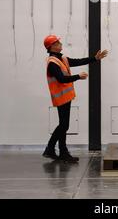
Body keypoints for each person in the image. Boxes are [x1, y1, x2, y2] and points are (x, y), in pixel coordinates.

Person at [42, 34, 108, 163]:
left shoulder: (62, 59)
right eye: (57, 42)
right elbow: (61, 79)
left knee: (64, 125)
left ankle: (62, 152)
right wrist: (78, 76)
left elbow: (78, 61)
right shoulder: (52, 62)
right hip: (61, 97)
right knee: (63, 125)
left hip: (65, 97)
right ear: (52, 47)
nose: (60, 44)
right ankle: (51, 149)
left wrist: (95, 58)